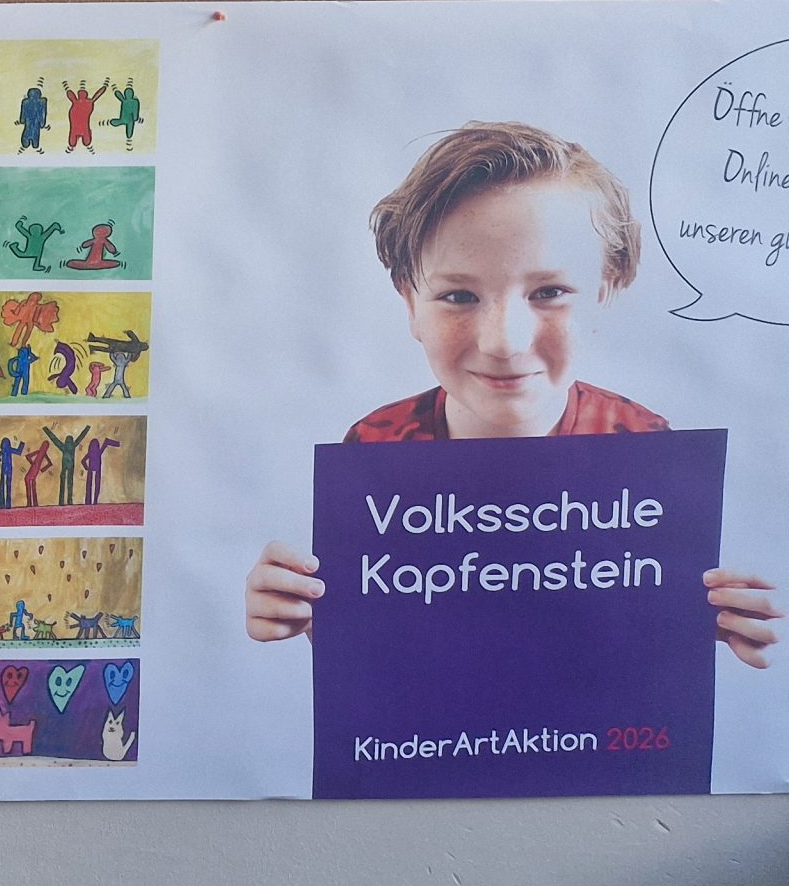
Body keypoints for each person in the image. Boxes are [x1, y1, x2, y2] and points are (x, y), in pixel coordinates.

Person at [244, 122, 778, 669]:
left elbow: (639, 639)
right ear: (410, 305)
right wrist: (313, 614)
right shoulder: (376, 450)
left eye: (550, 292)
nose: (504, 342)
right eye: (459, 296)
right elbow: (382, 648)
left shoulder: (644, 448)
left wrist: (714, 616)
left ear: (605, 291)